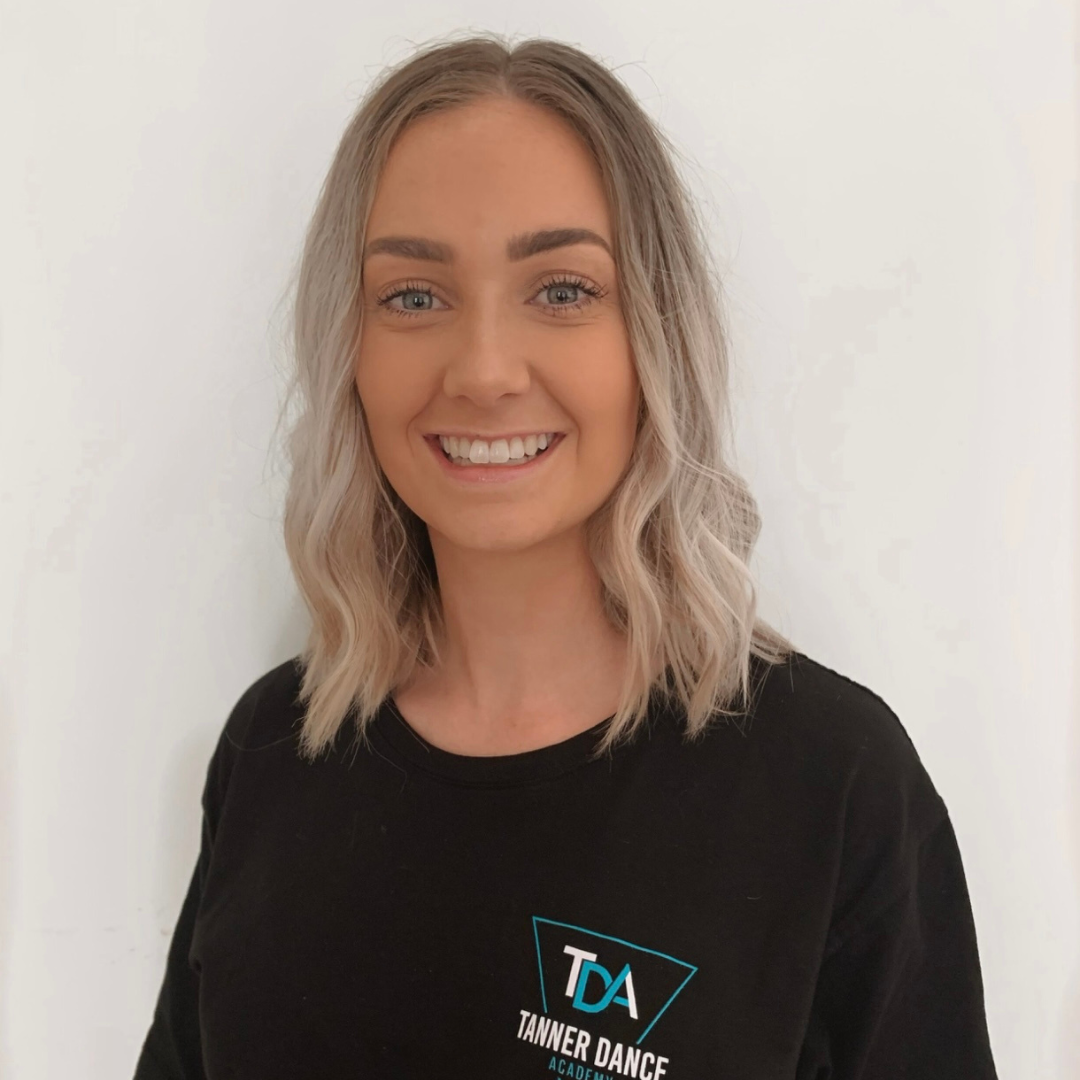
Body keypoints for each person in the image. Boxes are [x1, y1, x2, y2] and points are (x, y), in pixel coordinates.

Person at [132, 32, 999, 1079]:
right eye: (412, 295)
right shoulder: (273, 748)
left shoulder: (832, 785)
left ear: (656, 341)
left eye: (562, 290)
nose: (486, 370)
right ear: (347, 351)